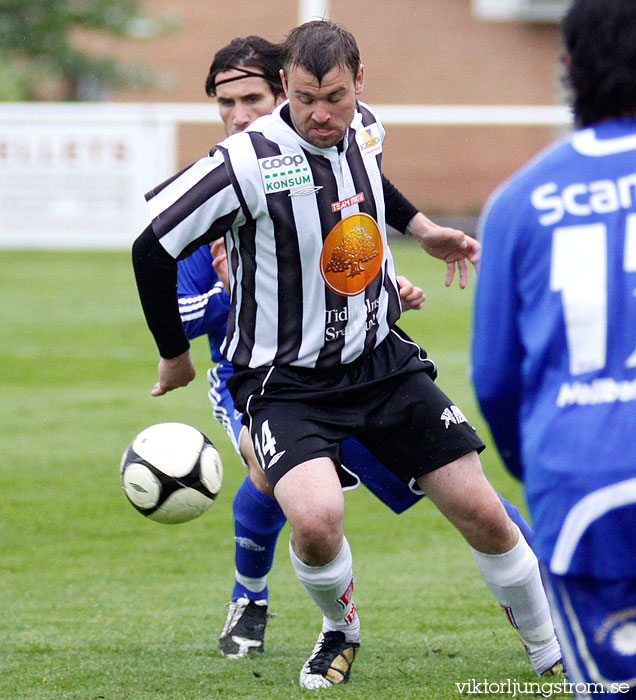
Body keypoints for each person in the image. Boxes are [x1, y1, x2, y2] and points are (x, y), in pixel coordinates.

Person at [133, 21, 560, 689]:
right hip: (283, 382)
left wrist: (422, 232)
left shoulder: (363, 126)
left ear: (359, 84)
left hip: (381, 360)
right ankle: (340, 628)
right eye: (305, 99)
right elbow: (151, 246)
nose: (321, 114)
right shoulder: (244, 162)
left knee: (480, 508)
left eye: (334, 96)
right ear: (284, 89)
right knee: (315, 519)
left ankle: (550, 648)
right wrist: (173, 356)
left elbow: (371, 180)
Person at [472, 0, 636, 696]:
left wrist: (537, 467)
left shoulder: (520, 200)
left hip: (579, 477)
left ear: (568, 68)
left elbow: (496, 379)